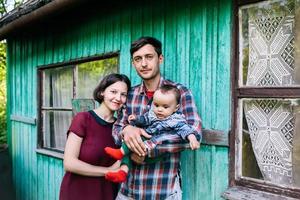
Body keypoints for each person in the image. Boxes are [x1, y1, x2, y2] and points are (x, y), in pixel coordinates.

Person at [112, 36, 202, 200]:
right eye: (138, 59)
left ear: (160, 58)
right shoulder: (129, 95)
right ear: (133, 63)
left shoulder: (180, 92)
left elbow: (194, 133)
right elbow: (116, 129)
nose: (144, 64)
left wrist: (147, 149)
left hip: (162, 191)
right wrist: (126, 130)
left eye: (149, 57)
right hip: (127, 192)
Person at [104, 84, 200, 183]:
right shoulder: (153, 114)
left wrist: (192, 138)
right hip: (143, 145)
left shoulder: (176, 120)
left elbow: (185, 129)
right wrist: (136, 119)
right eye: (156, 105)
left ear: (176, 108)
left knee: (138, 139)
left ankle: (120, 152)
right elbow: (145, 119)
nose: (159, 109)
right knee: (129, 152)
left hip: (155, 153)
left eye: (165, 107)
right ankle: (122, 173)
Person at [59, 73, 131, 200]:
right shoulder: (83, 119)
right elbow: (69, 163)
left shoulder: (121, 128)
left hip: (106, 193)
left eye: (123, 94)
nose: (118, 98)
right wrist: (108, 171)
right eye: (113, 92)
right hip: (77, 192)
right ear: (102, 92)